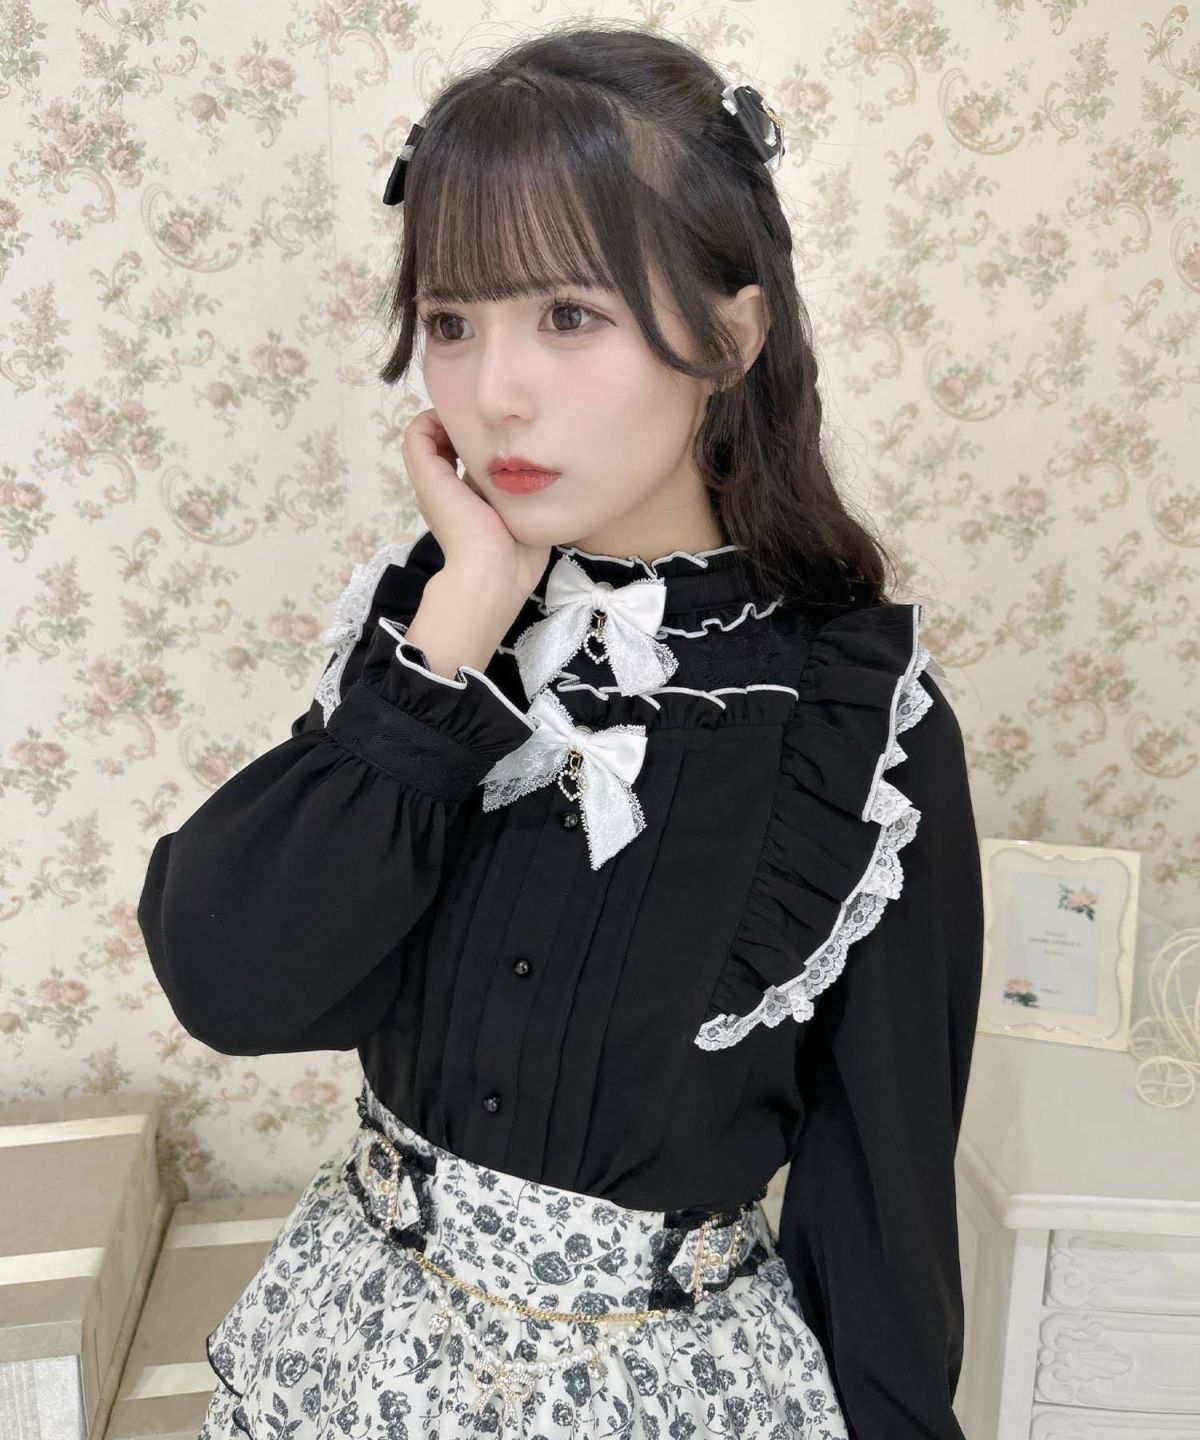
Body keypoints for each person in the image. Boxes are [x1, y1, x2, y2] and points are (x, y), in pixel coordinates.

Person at [138, 21, 984, 1440]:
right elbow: (237, 987)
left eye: (571, 316)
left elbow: (882, 1196)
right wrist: (466, 612)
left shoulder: (855, 719)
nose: (496, 394)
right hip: (354, 1362)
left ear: (731, 337)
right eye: (452, 323)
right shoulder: (423, 639)